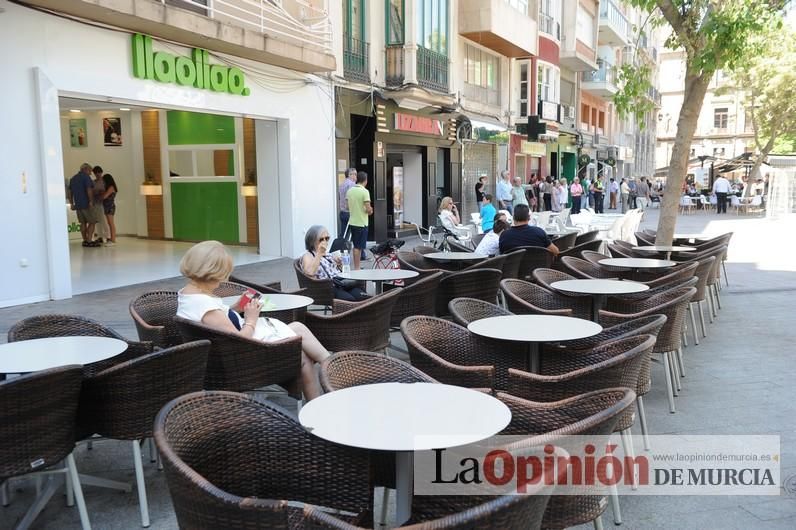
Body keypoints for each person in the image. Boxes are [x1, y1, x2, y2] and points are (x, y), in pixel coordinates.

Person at [176, 241, 330, 400]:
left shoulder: (188, 295)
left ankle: (328, 378)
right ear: (209, 273)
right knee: (302, 350)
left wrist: (235, 309)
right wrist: (251, 319)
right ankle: (333, 372)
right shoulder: (204, 305)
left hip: (224, 356)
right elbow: (239, 340)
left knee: (299, 331)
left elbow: (216, 323)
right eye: (220, 275)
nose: (222, 280)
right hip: (244, 357)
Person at [301, 225, 368, 301]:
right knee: (349, 300)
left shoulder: (329, 254)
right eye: (321, 239)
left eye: (327, 238)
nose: (325, 241)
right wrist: (319, 253)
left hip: (341, 284)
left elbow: (341, 272)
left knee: (362, 296)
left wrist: (340, 265)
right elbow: (309, 272)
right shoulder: (308, 255)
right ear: (312, 241)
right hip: (325, 288)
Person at [346, 171, 373, 269]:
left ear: (357, 179)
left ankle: (357, 267)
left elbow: (347, 207)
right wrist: (370, 211)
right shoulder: (365, 191)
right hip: (362, 222)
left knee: (356, 245)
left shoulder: (350, 191)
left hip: (353, 221)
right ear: (365, 181)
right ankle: (357, 268)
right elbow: (368, 209)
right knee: (358, 247)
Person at [68, 163, 100, 247]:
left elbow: (70, 193)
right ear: (85, 169)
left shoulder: (73, 179)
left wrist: (72, 203)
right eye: (90, 171)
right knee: (92, 222)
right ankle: (89, 241)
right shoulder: (86, 177)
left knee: (82, 223)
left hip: (78, 205)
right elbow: (89, 189)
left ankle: (85, 240)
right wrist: (90, 201)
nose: (90, 173)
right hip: (86, 204)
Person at [91, 166, 110, 245]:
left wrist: (100, 193)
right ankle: (100, 236)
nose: (97, 174)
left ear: (101, 172)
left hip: (102, 203)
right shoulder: (93, 182)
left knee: (103, 220)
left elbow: (106, 192)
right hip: (95, 202)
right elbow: (91, 192)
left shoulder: (105, 181)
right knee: (97, 221)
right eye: (95, 173)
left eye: (98, 173)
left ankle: (107, 236)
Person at [338, 167, 357, 238]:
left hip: (342, 212)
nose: (356, 176)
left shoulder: (341, 184)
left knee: (344, 234)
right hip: (350, 212)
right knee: (354, 235)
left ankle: (342, 248)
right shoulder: (352, 184)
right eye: (354, 174)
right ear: (349, 175)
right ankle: (357, 249)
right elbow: (353, 199)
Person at [101, 173, 118, 246]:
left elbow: (104, 196)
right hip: (107, 206)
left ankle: (113, 240)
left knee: (111, 223)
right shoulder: (108, 187)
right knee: (109, 223)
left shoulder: (111, 187)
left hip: (110, 206)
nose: (103, 182)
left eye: (103, 181)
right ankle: (111, 239)